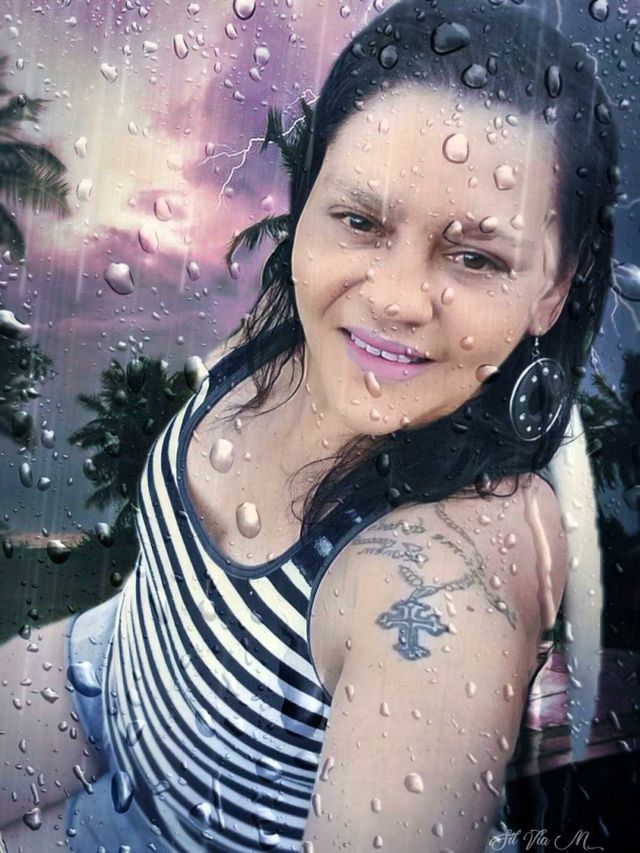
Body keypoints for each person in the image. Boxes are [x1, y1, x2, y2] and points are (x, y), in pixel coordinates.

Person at [0, 1, 618, 850]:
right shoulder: (289, 320)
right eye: (361, 221)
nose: (395, 298)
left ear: (552, 288)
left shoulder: (451, 577)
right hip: (108, 668)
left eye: (475, 256)